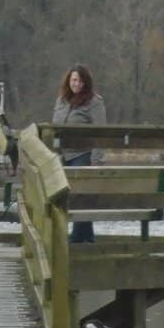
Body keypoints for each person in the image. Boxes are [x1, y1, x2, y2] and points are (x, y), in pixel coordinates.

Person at [52, 65, 107, 243]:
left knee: (80, 195)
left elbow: (101, 131)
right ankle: (86, 235)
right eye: (74, 80)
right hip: (62, 154)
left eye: (81, 81)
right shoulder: (61, 100)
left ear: (86, 83)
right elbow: (54, 127)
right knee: (64, 196)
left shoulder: (95, 101)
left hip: (83, 153)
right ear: (69, 80)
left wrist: (97, 160)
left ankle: (77, 235)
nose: (77, 84)